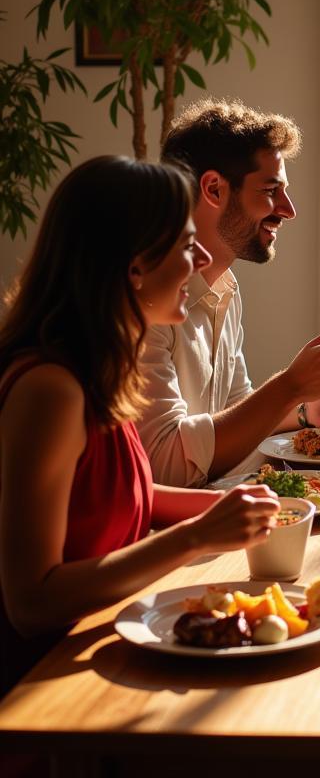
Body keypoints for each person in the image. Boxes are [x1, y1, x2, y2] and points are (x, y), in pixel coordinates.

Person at [0, 156, 281, 692]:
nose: (200, 259)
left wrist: (243, 509)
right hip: (44, 693)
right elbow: (31, 603)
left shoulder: (100, 367)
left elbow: (115, 495)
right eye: (184, 245)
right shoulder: (50, 391)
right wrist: (197, 538)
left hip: (104, 646)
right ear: (134, 268)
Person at [138, 100, 320, 487]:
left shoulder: (226, 286)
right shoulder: (148, 298)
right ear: (214, 188)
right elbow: (164, 468)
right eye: (270, 190)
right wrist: (290, 386)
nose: (289, 209)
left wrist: (304, 413)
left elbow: (233, 411)